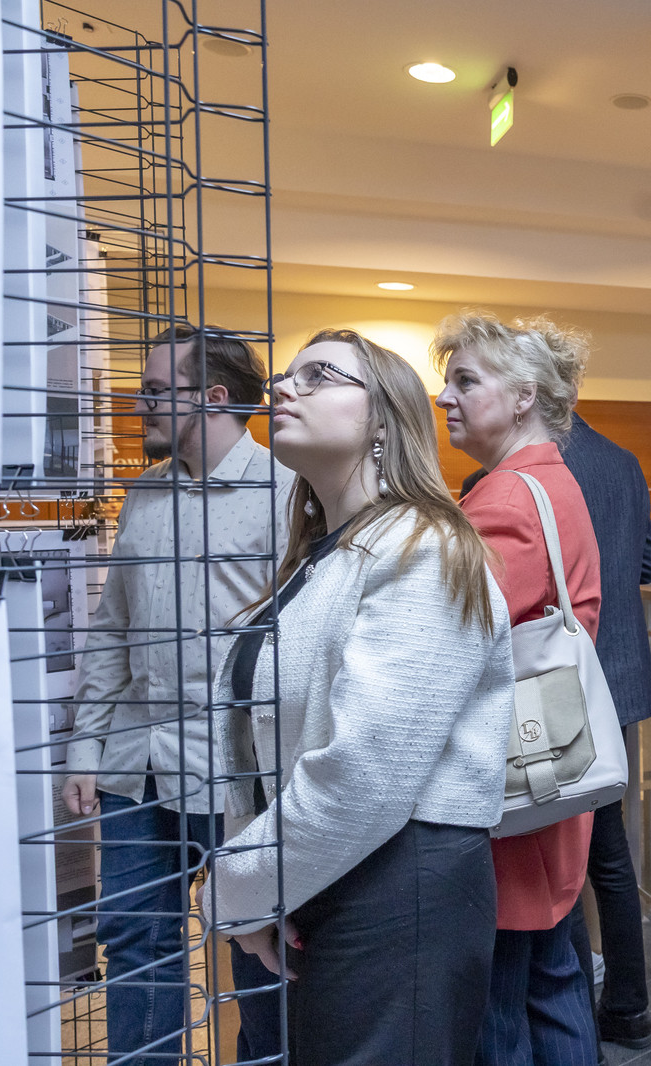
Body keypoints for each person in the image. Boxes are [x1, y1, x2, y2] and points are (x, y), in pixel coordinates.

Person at [209, 329, 515, 1066]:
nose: (283, 387)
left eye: (319, 375)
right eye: (288, 374)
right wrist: (261, 890)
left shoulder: (424, 548)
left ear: (383, 418)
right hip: (316, 874)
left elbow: (366, 777)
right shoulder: (324, 556)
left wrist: (234, 887)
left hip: (396, 890)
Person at [62, 325, 288, 1065]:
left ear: (214, 397)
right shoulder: (144, 494)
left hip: (240, 768)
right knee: (133, 937)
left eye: (157, 391)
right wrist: (85, 748)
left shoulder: (288, 493)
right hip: (139, 764)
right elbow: (112, 629)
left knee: (259, 945)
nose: (140, 406)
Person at [432, 311, 604, 1066]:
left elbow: (448, 642)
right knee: (552, 981)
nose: (446, 397)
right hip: (547, 764)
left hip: (508, 782)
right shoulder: (551, 481)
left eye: (466, 380)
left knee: (498, 1011)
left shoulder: (504, 499)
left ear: (525, 395)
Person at [559, 411, 651, 1051]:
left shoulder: (510, 471)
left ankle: (569, 1008)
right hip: (618, 680)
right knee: (610, 853)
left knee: (558, 860)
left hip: (555, 694)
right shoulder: (623, 461)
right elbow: (646, 563)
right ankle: (628, 1006)